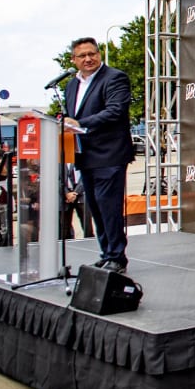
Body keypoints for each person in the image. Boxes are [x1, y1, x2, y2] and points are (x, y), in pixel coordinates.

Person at [62, 37, 134, 272]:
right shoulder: (71, 85)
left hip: (109, 154)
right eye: (82, 56)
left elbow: (115, 111)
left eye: (92, 53)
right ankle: (106, 252)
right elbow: (71, 115)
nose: (88, 59)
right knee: (95, 206)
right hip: (86, 154)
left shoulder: (114, 77)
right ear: (73, 60)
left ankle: (117, 256)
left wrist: (78, 123)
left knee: (109, 205)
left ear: (99, 54)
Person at [61, 163, 94, 240]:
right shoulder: (60, 161)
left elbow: (86, 176)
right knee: (65, 226)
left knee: (86, 224)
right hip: (66, 197)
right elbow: (58, 179)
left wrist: (75, 192)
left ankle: (89, 243)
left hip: (81, 195)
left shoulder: (80, 159)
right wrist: (66, 193)